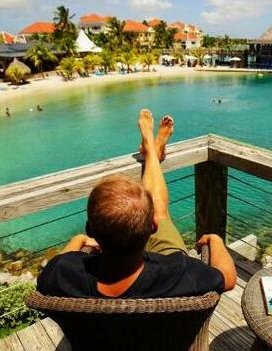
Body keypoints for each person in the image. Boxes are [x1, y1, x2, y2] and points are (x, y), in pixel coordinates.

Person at [38, 110, 236, 298]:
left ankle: (151, 150)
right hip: (165, 315)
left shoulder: (65, 275)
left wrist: (79, 239)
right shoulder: (179, 273)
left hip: (101, 332)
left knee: (152, 211)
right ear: (153, 228)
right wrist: (215, 240)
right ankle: (151, 150)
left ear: (91, 230)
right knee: (159, 211)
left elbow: (52, 268)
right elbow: (228, 277)